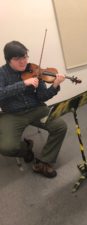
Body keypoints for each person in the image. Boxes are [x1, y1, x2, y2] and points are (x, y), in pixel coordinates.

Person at [0, 41, 67, 178]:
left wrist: (54, 86)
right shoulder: (2, 73)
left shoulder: (34, 70)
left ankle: (44, 162)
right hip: (12, 114)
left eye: (25, 56)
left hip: (36, 109)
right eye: (18, 59)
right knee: (7, 147)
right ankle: (26, 149)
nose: (23, 61)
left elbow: (43, 96)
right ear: (8, 60)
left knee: (60, 126)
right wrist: (23, 84)